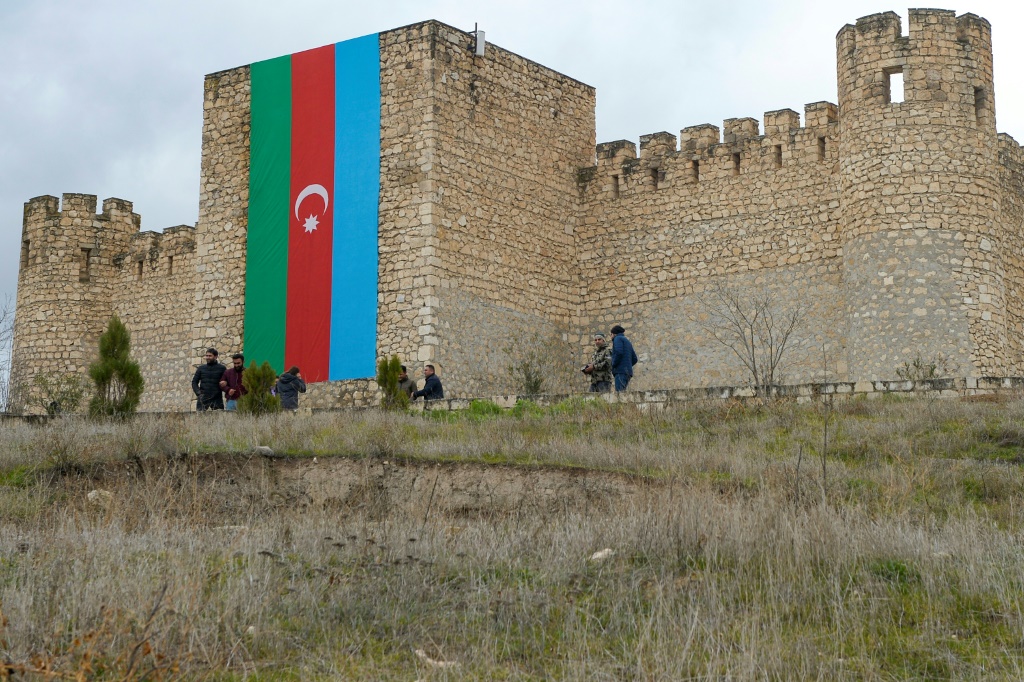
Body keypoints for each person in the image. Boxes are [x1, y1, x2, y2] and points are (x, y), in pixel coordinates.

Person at [610, 325, 638, 392]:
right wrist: (627, 365)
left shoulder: (617, 339)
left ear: (614, 334)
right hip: (628, 372)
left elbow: (619, 352)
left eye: (611, 334)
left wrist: (613, 364)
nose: (610, 336)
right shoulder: (627, 341)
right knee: (623, 393)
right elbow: (635, 359)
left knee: (619, 394)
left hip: (620, 371)